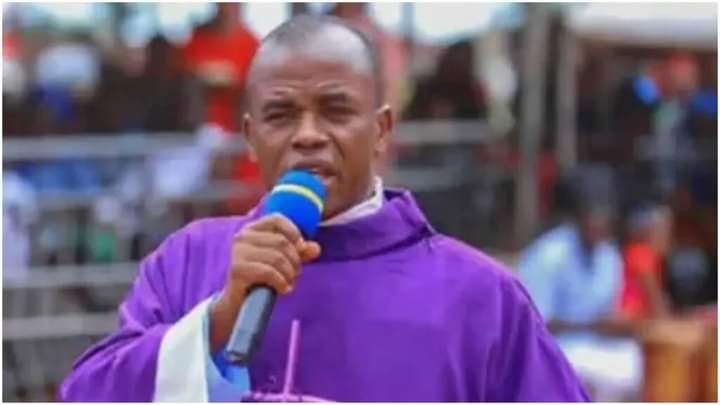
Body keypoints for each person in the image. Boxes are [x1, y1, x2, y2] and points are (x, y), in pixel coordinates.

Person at [60, 15, 588, 402]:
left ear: (381, 131)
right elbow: (87, 394)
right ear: (250, 138)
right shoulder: (189, 260)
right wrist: (216, 323)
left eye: (336, 111)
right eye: (281, 115)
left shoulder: (479, 296)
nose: (308, 135)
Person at [517, 168, 642, 401]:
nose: (599, 224)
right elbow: (533, 323)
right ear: (578, 216)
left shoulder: (608, 256)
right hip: (555, 348)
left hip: (598, 345)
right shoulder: (549, 253)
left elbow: (610, 312)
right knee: (599, 373)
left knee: (631, 362)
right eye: (594, 216)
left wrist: (619, 322)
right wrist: (591, 326)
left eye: (605, 217)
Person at [619, 204, 673, 319]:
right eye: (663, 230)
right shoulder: (640, 254)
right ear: (648, 232)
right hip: (629, 321)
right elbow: (656, 304)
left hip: (641, 318)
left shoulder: (653, 258)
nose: (668, 237)